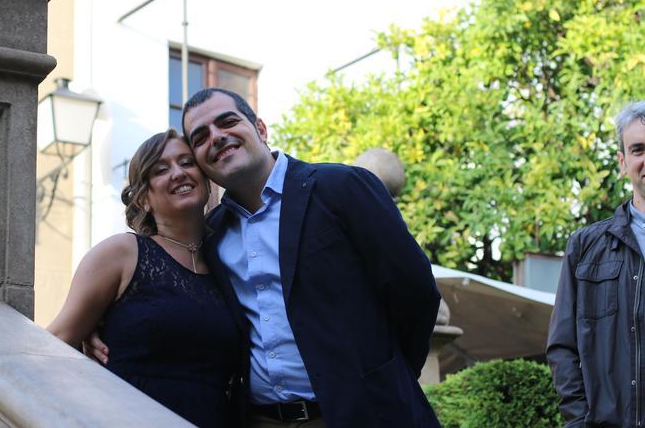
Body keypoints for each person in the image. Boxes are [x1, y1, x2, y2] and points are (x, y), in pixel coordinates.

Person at [89, 88, 441, 427]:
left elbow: (416, 292)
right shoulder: (212, 234)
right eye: (200, 137)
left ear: (260, 128)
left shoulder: (341, 187)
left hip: (362, 414)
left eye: (227, 122)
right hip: (259, 419)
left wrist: (388, 378)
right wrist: (102, 322)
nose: (217, 137)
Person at [48, 129, 241, 428]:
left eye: (187, 162)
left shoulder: (230, 260)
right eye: (161, 170)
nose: (178, 172)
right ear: (143, 199)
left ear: (206, 181)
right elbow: (55, 344)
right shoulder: (121, 253)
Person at [548, 101, 645, 428]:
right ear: (623, 162)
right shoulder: (585, 247)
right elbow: (562, 347)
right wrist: (579, 421)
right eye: (638, 149)